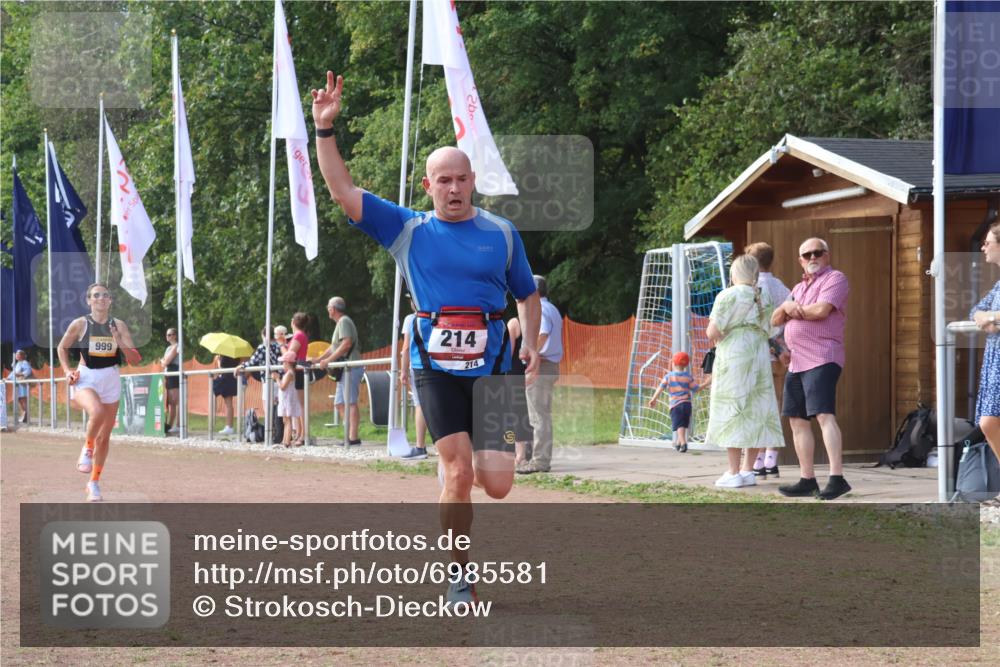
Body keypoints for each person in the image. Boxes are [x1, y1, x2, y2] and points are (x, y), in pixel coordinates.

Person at [312, 70, 541, 605]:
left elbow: (526, 294)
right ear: (427, 186)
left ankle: (459, 467)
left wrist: (527, 340)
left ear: (472, 182)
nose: (454, 188)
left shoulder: (502, 234)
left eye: (461, 179)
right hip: (434, 360)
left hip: (494, 363)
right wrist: (325, 130)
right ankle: (459, 574)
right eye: (444, 180)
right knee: (459, 472)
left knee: (499, 483)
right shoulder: (407, 230)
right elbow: (343, 192)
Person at [770, 238, 851, 500]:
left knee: (823, 415)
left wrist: (793, 309)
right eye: (807, 255)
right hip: (797, 361)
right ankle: (808, 479)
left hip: (822, 357)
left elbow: (821, 310)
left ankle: (837, 478)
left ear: (827, 255)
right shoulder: (797, 286)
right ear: (800, 260)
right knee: (796, 420)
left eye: (818, 252)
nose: (812, 257)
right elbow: (774, 319)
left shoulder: (835, 278)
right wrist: (785, 307)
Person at [56, 282, 142, 502]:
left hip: (111, 378)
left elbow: (134, 359)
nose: (101, 298)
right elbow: (62, 347)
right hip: (86, 376)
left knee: (105, 437)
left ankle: (93, 483)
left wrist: (119, 341)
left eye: (105, 295)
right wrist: (67, 371)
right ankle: (87, 447)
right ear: (89, 300)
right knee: (97, 412)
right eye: (96, 295)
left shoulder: (119, 325)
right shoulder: (80, 324)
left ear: (110, 300)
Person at [705, 254, 784, 488]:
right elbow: (771, 330)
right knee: (755, 409)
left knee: (733, 408)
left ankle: (732, 471)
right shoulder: (764, 296)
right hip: (759, 355)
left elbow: (712, 331)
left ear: (734, 274)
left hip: (734, 356)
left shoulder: (727, 295)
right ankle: (748, 470)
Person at [745, 242, 791, 478]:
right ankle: (771, 457)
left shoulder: (750, 289)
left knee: (756, 406)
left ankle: (757, 457)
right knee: (776, 403)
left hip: (756, 353)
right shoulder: (781, 286)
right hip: (778, 353)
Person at [518, 275, 562, 474]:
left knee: (538, 416)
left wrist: (531, 354)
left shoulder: (541, 310)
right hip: (548, 365)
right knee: (541, 414)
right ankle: (538, 457)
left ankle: (540, 461)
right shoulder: (551, 308)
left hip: (541, 366)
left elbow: (542, 334)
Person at [971, 220, 1000, 484]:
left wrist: (992, 317)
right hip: (995, 361)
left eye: (988, 242)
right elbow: (975, 310)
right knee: (988, 421)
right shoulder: (999, 284)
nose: (983, 248)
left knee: (990, 421)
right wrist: (986, 316)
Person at [312, 297, 363, 445]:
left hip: (350, 367)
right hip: (345, 368)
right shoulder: (341, 323)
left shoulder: (344, 321)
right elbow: (333, 346)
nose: (327, 309)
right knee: (340, 403)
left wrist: (328, 361)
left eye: (328, 307)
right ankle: (349, 435)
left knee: (350, 402)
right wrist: (319, 359)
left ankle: (353, 438)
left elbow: (346, 344)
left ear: (333, 309)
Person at [648, 351, 701, 453]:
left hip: (675, 404)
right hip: (687, 404)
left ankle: (683, 442)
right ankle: (677, 442)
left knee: (679, 425)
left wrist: (654, 399)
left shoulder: (669, 376)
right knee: (683, 424)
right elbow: (696, 389)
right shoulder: (688, 376)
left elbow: (660, 388)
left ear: (674, 363)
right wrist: (707, 383)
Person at [400, 295, 429, 460]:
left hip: (418, 365)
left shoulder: (410, 319)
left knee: (420, 405)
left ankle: (420, 446)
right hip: (436, 366)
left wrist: (403, 371)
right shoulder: (435, 315)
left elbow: (406, 348)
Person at [506, 316, 535, 466]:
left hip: (512, 373)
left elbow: (508, 352)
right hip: (526, 372)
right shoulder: (532, 324)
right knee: (525, 413)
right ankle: (527, 450)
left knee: (512, 414)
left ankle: (519, 453)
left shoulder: (513, 323)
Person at [274, 352, 303, 447]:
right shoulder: (289, 373)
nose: (282, 365)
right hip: (285, 399)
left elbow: (282, 387)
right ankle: (284, 440)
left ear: (287, 363)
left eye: (283, 363)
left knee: (288, 420)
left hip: (287, 400)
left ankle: (287, 441)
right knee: (285, 420)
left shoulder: (290, 373)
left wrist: (277, 379)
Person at [212, 354, 239, 435]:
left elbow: (221, 368)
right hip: (231, 379)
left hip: (226, 379)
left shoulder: (225, 355)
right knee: (229, 404)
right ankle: (229, 426)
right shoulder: (236, 355)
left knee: (228, 404)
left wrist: (218, 360)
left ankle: (229, 426)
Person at [160, 329, 180, 434]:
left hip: (174, 373)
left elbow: (166, 361)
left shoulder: (177, 346)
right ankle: (170, 424)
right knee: (171, 402)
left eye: (170, 334)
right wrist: (164, 361)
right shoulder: (168, 348)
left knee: (175, 401)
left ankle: (178, 425)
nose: (168, 336)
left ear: (175, 335)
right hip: (168, 374)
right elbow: (163, 363)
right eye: (167, 335)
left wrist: (164, 361)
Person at [13, 349, 32, 424]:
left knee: (23, 399)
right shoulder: (17, 364)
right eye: (16, 354)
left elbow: (28, 370)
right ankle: (24, 414)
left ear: (22, 356)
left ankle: (26, 415)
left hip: (23, 384)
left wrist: (21, 374)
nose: (17, 356)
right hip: (18, 384)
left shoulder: (24, 363)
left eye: (18, 354)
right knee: (19, 399)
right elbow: (13, 373)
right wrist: (7, 378)